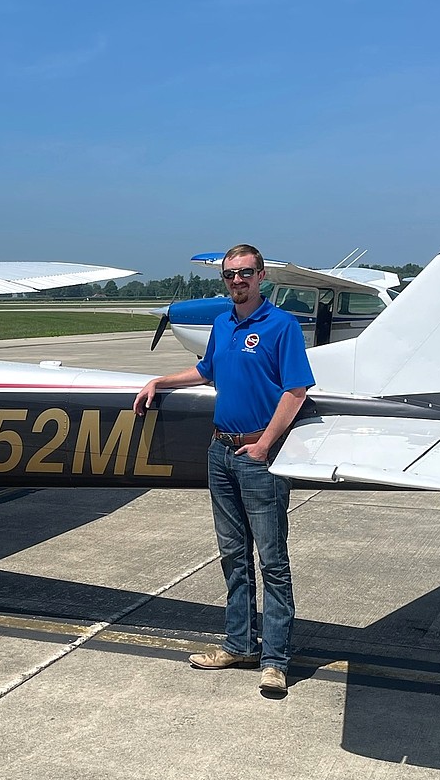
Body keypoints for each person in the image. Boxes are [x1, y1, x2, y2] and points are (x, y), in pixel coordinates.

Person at [133, 244, 314, 695]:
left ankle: (275, 660)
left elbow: (296, 391)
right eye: (230, 274)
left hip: (258, 456)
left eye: (245, 273)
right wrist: (159, 381)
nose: (237, 281)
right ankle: (239, 644)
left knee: (272, 561)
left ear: (261, 275)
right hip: (220, 452)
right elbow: (207, 370)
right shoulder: (222, 323)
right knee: (233, 555)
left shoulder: (282, 325)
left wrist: (264, 446)